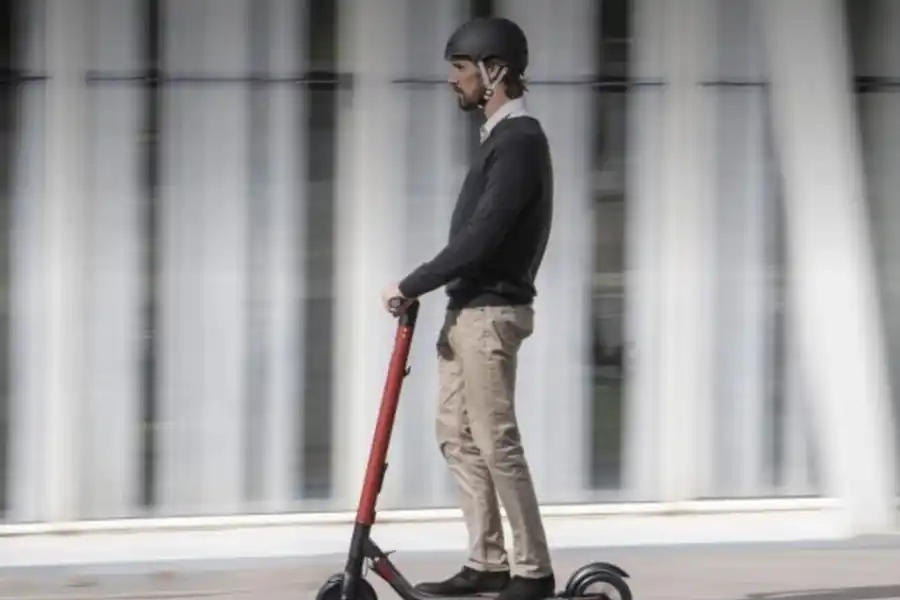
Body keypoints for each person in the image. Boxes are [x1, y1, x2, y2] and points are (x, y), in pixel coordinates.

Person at [380, 15, 555, 600]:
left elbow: (482, 237)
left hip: (490, 315)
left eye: (460, 68)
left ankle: (533, 572)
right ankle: (488, 562)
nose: (452, 79)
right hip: (467, 310)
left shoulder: (520, 141)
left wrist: (412, 283)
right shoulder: (499, 140)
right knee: (457, 436)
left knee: (496, 440)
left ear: (494, 71)